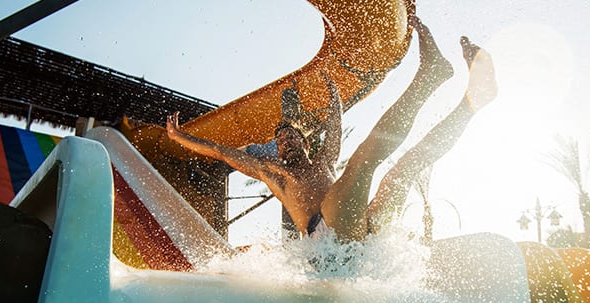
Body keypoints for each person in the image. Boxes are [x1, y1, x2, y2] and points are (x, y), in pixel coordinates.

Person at [166, 16, 497, 242]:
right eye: (280, 140)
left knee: (407, 167)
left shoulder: (324, 160)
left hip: (359, 231)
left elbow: (335, 127)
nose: (285, 143)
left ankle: (473, 103)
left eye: (292, 137)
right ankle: (427, 78)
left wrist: (334, 96)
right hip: (325, 241)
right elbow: (222, 152)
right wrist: (182, 138)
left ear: (307, 144)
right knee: (363, 162)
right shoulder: (275, 174)